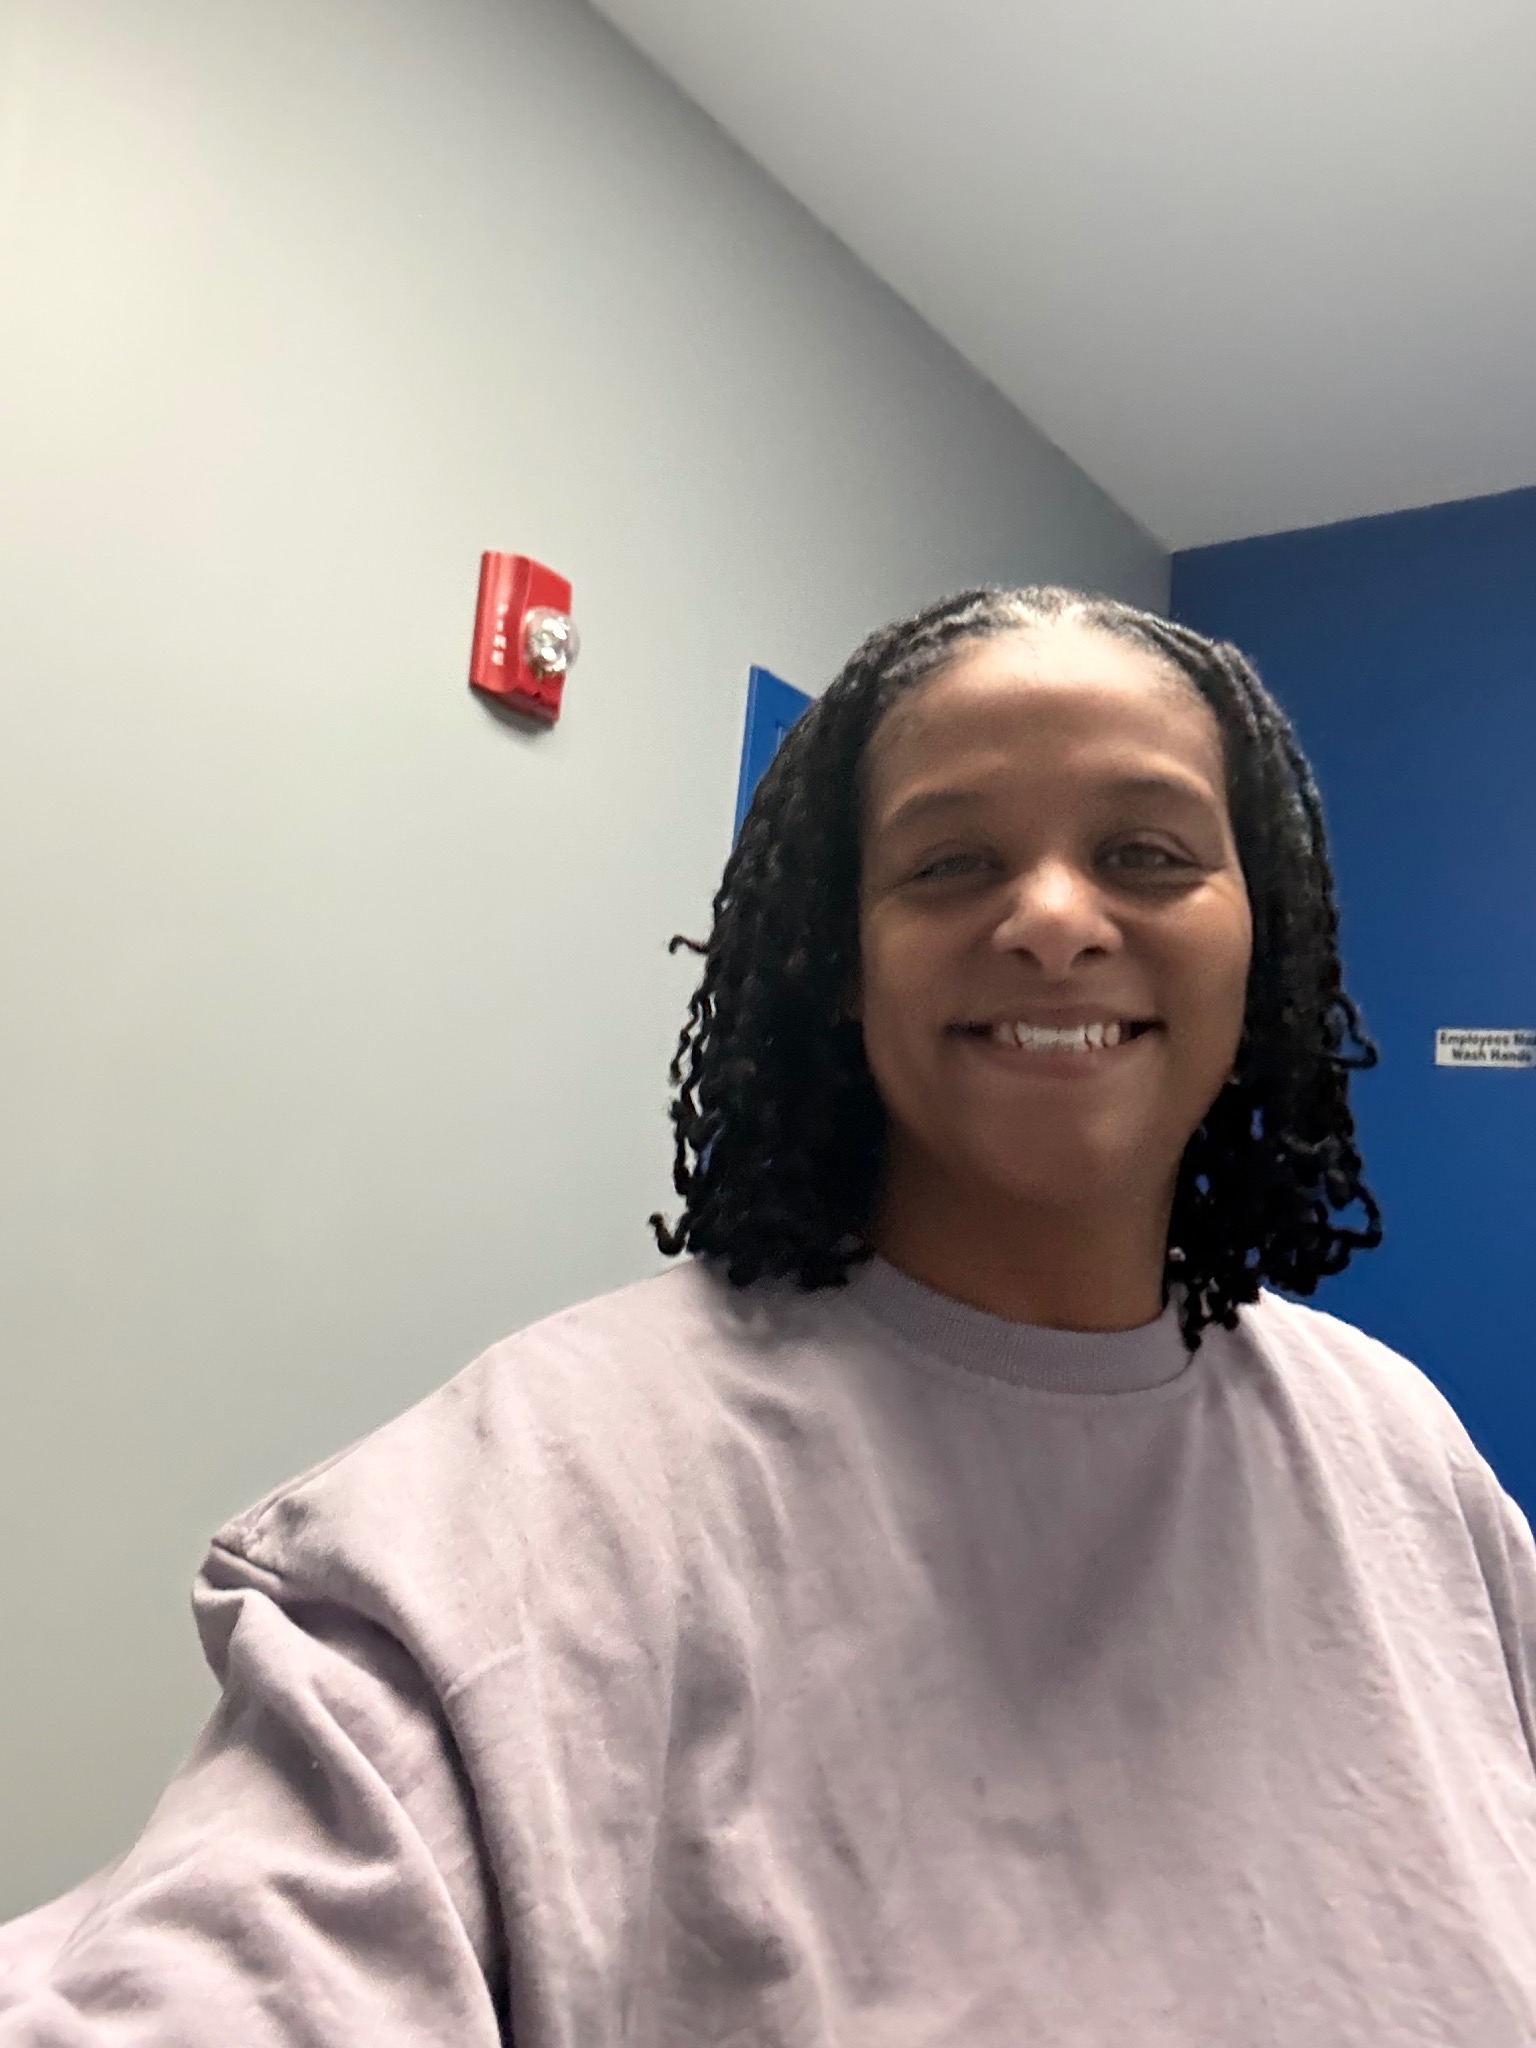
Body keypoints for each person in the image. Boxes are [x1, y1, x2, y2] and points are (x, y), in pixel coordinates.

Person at [3, 585, 1535, 2045]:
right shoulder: (536, 1491)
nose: (1056, 919)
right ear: (841, 963)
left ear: (1261, 941)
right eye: (951, 863)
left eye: (1145, 853)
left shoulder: (1402, 1454)